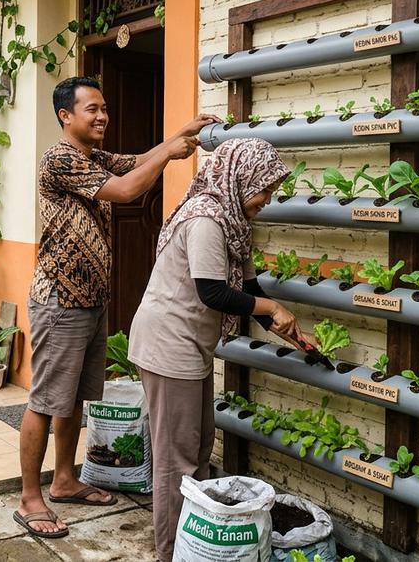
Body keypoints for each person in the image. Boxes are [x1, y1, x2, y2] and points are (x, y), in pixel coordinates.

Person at [14, 76, 219, 539]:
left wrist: (179, 136)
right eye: (92, 109)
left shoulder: (94, 157)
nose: (102, 116)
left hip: (90, 299)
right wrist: (169, 154)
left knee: (73, 399)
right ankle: (29, 497)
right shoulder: (61, 159)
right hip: (60, 298)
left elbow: (136, 163)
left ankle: (64, 480)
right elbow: (127, 190)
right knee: (46, 401)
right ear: (65, 115)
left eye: (104, 108)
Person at [127, 137, 314, 562]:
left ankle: (192, 546)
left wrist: (289, 331)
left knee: (197, 447)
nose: (267, 199)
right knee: (177, 458)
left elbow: (249, 289)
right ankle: (171, 551)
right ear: (240, 177)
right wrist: (273, 308)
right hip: (168, 345)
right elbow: (213, 292)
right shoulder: (207, 218)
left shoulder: (233, 222)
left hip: (189, 346)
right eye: (264, 189)